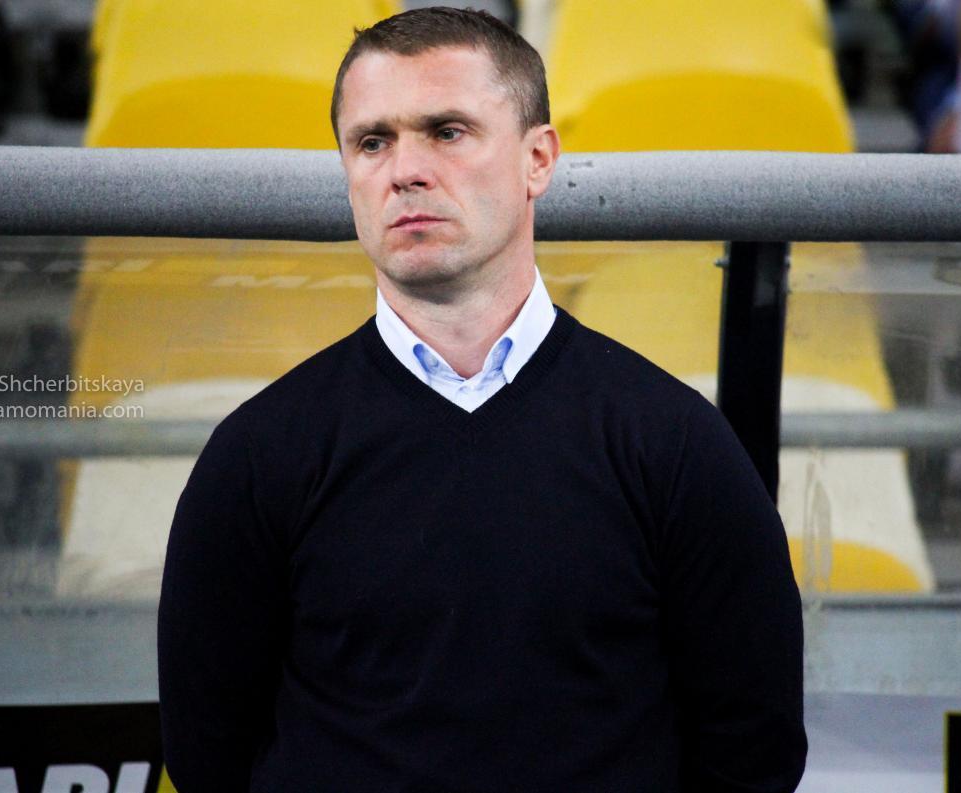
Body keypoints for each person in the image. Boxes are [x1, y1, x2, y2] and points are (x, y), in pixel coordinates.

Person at [158, 8, 806, 792]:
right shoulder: (258, 455)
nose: (405, 170)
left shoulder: (675, 444)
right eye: (372, 141)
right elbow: (208, 752)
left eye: (447, 131)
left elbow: (754, 744)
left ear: (538, 159)